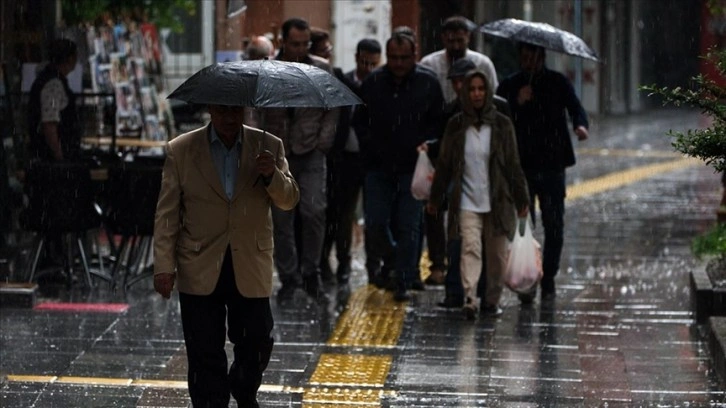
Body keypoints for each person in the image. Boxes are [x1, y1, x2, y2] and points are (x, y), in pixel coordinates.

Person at [153, 104, 300, 408]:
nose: (230, 119)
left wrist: (272, 174)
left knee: (257, 340)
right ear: (209, 110)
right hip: (200, 262)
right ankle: (211, 402)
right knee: (204, 349)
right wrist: (163, 266)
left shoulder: (269, 145)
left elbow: (289, 200)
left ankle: (243, 388)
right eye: (222, 112)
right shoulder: (181, 150)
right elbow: (167, 214)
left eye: (236, 111)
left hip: (250, 262)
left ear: (245, 110)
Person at [427, 70, 529, 320]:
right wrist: (435, 198)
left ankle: (491, 301)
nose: (476, 94)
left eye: (481, 89)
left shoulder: (502, 125)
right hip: (467, 201)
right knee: (469, 249)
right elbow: (445, 165)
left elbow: (513, 164)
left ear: (488, 92)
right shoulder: (456, 126)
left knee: (496, 256)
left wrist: (521, 199)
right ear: (464, 93)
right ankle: (470, 298)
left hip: (497, 200)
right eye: (471, 89)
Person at [354, 32, 445, 301]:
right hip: (378, 167)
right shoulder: (374, 82)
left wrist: (428, 144)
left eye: (404, 58)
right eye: (393, 58)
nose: (399, 64)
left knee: (409, 225)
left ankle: (403, 279)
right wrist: (371, 145)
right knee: (376, 222)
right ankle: (394, 259)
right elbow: (359, 121)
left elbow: (439, 123)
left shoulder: (427, 83)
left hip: (413, 167)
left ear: (414, 55)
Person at [496, 43, 589, 302]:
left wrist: (580, 126)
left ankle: (548, 276)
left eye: (532, 57)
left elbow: (575, 108)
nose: (528, 62)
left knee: (554, 224)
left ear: (542, 57)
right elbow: (498, 118)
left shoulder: (558, 82)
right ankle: (526, 278)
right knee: (523, 224)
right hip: (520, 165)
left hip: (552, 164)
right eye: (523, 57)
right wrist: (517, 102)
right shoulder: (510, 85)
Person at [254, 17, 339, 302]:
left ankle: (311, 272)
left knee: (314, 211)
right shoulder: (267, 70)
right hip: (278, 151)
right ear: (282, 42)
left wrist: (323, 142)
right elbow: (254, 109)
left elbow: (333, 109)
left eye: (305, 44)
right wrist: (259, 142)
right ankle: (289, 277)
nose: (301, 49)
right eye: (295, 44)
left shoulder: (322, 69)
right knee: (281, 218)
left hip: (311, 149)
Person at [320, 38, 382, 285]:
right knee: (342, 214)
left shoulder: (381, 84)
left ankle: (373, 264)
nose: (368, 68)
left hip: (372, 158)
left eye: (373, 64)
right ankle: (342, 260)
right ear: (357, 57)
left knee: (374, 215)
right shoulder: (343, 81)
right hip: (345, 158)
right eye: (365, 62)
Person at [419, 16, 498, 104]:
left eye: (460, 41)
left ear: (468, 36)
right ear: (443, 38)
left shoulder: (483, 64)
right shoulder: (429, 64)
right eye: (451, 41)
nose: (456, 46)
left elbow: (493, 94)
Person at [27, 38, 81, 163]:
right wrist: (59, 157)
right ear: (70, 58)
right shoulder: (53, 84)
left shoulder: (48, 79)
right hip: (52, 159)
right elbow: (49, 123)